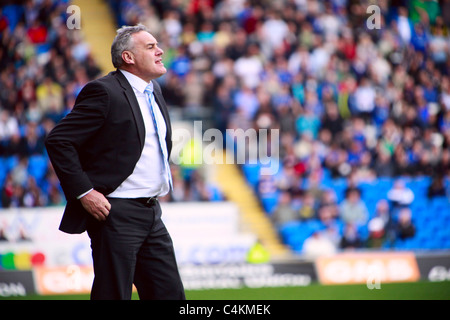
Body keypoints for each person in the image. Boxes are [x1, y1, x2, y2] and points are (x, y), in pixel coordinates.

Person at [45, 24, 185, 300]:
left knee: (170, 295)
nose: (160, 51)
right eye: (150, 47)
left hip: (151, 213)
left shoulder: (154, 89)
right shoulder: (104, 91)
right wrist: (84, 192)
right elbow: (59, 140)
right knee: (113, 294)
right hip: (115, 213)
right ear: (128, 58)